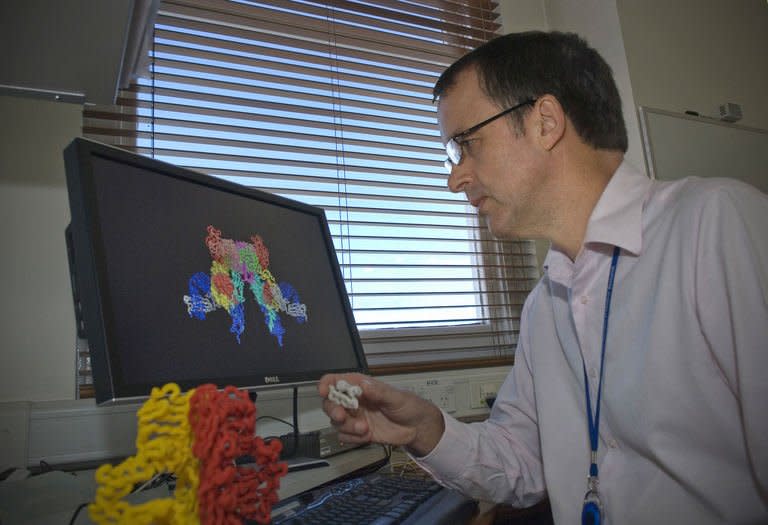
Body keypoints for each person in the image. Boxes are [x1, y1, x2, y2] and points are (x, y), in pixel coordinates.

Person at [319, 31, 768, 524]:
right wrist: (422, 429)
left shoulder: (718, 225)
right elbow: (523, 466)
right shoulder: (545, 303)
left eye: (465, 145)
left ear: (546, 122)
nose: (455, 178)